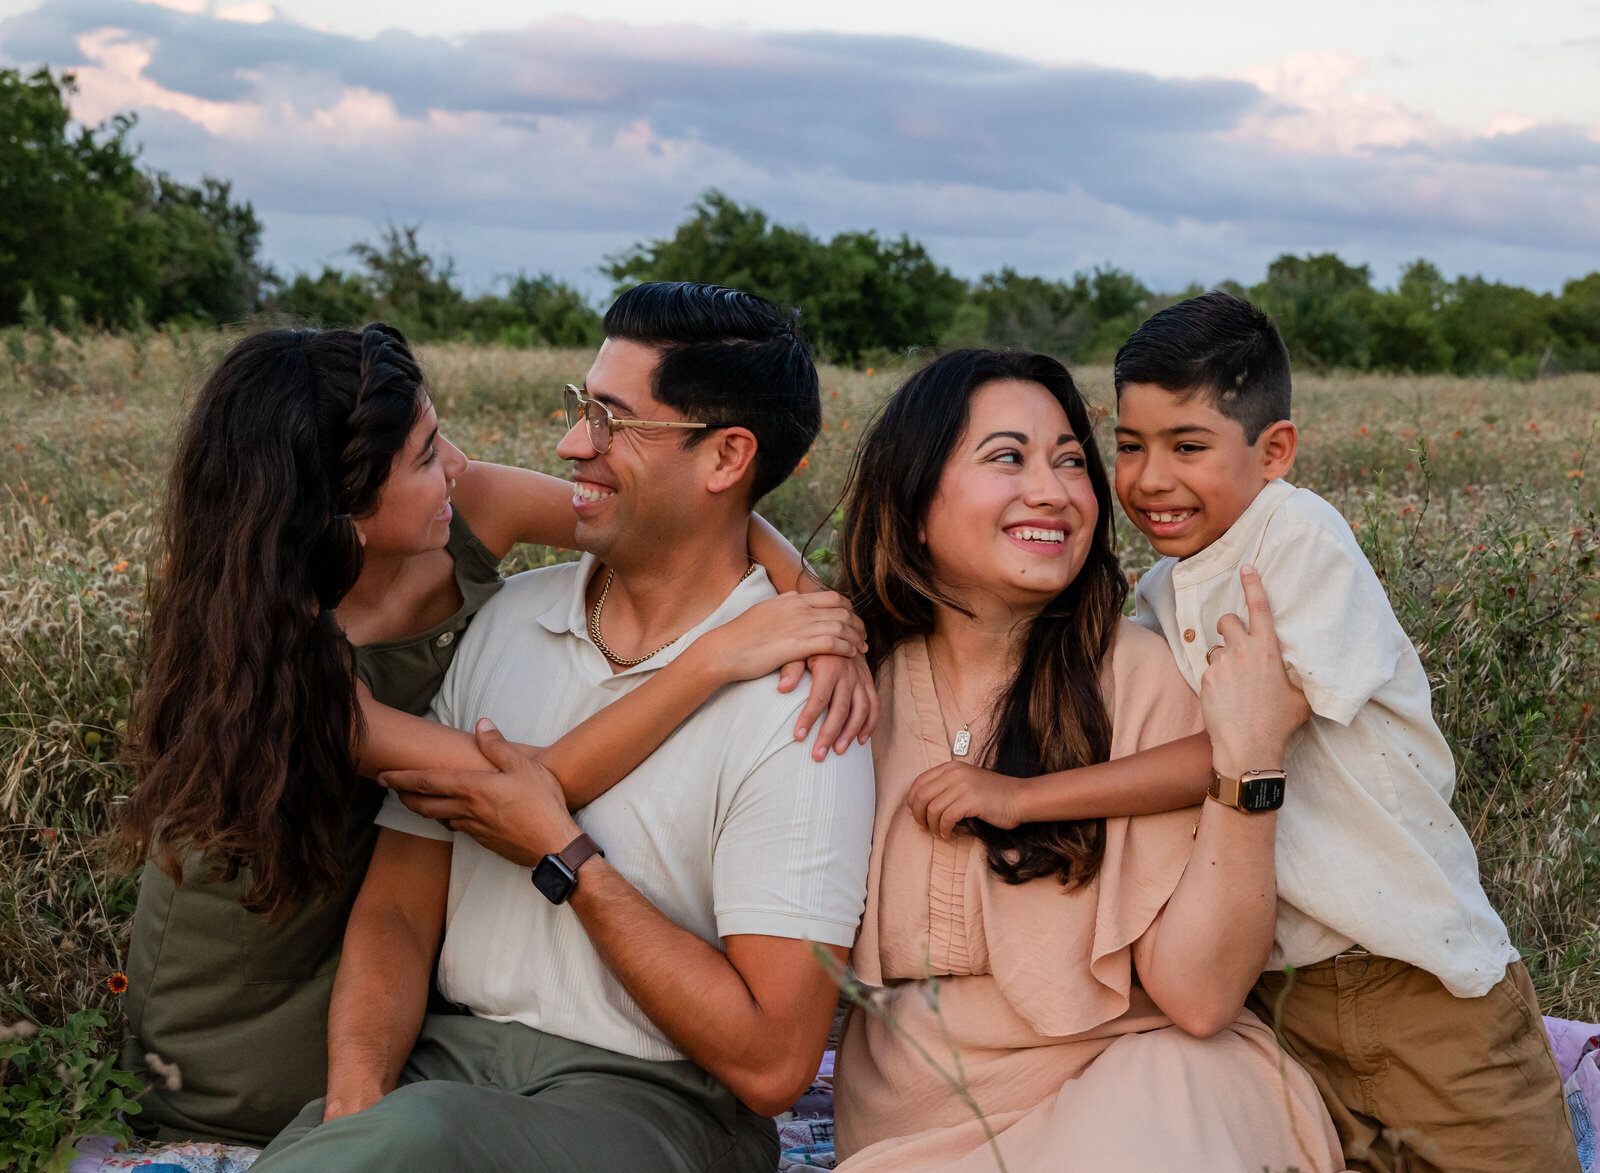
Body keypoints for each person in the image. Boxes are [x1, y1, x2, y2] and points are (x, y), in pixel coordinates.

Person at [117, 321, 875, 1146]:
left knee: (408, 1130)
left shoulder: (471, 503)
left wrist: (813, 609)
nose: (460, 463)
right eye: (424, 455)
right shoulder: (288, 663)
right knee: (367, 1122)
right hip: (261, 950)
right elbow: (521, 788)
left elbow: (694, 516)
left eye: (439, 437)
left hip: (404, 969)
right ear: (343, 511)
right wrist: (706, 661)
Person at [829, 349, 1345, 1173]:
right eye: (1008, 457)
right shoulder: (851, 686)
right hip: (913, 1129)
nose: (1054, 490)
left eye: (1071, 460)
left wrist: (1246, 761)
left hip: (1146, 1088)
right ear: (914, 499)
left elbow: (1202, 998)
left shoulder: (1145, 677)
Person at [1105, 291, 1579, 1172]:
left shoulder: (1297, 537)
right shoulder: (1162, 593)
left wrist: (1020, 799)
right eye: (1129, 445)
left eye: (1187, 446)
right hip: (1286, 1001)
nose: (1148, 477)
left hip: (1420, 986)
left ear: (1273, 450)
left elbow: (1231, 747)